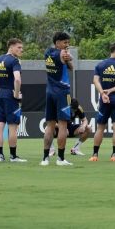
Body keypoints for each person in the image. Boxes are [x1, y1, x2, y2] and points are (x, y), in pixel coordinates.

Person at [0, 38, 26, 163]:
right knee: (13, 126)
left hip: (0, 95)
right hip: (10, 95)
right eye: (19, 47)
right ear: (11, 47)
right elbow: (18, 79)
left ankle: (1, 156)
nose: (21, 50)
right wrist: (16, 93)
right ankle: (13, 156)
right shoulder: (14, 61)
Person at [89, 43, 115, 162]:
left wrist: (103, 93)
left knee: (100, 128)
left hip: (104, 99)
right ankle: (114, 155)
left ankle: (95, 155)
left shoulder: (100, 65)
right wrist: (111, 91)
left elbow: (95, 80)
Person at [40, 32, 74, 166]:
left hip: (49, 91)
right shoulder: (62, 53)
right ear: (58, 42)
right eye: (65, 42)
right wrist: (68, 56)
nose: (67, 45)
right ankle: (60, 159)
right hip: (62, 92)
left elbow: (69, 67)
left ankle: (45, 158)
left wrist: (67, 60)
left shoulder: (47, 53)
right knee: (63, 126)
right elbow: (69, 59)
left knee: (50, 126)